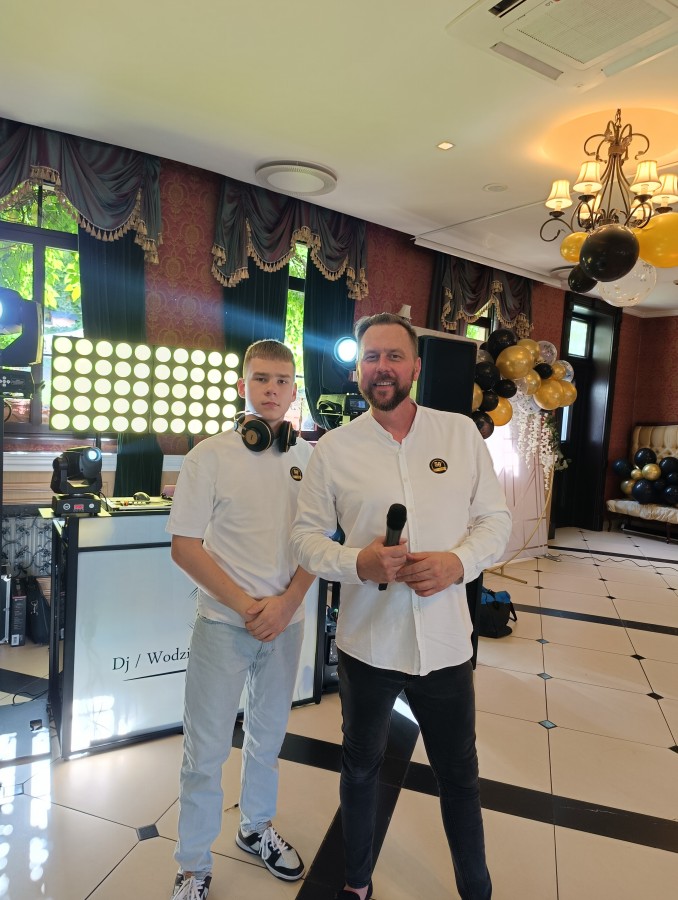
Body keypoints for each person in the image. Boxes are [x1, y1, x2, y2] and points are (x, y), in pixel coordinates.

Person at [291, 312, 511, 900]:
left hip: (445, 644)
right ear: (357, 369)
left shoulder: (459, 435)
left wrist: (457, 563)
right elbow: (305, 539)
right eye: (371, 357)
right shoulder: (334, 449)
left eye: (393, 356)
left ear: (415, 366)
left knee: (459, 776)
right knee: (361, 767)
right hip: (368, 644)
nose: (382, 368)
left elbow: (495, 521)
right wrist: (356, 562)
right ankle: (356, 881)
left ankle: (476, 889)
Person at [167, 339, 316, 900]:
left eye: (282, 380)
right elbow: (185, 546)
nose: (272, 389)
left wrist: (287, 604)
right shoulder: (209, 456)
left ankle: (256, 828)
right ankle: (192, 865)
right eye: (261, 379)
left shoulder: (310, 461)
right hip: (222, 625)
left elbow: (319, 543)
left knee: (267, 739)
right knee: (204, 751)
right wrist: (246, 606)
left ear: (294, 390)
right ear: (243, 386)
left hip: (286, 624)